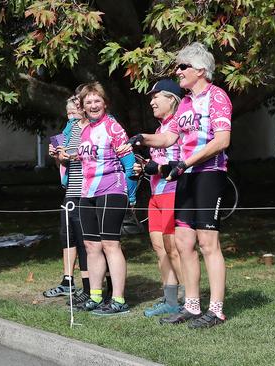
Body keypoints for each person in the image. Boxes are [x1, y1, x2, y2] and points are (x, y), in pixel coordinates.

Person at [122, 42, 232, 328]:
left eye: (182, 66)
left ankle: (216, 310)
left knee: (208, 243)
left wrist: (187, 162)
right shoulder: (183, 103)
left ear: (200, 69)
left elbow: (222, 141)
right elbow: (168, 138)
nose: (178, 71)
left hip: (209, 172)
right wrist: (141, 138)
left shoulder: (217, 96)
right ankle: (192, 306)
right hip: (186, 175)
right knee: (184, 242)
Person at [75, 82, 137, 316]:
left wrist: (130, 195)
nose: (93, 105)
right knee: (91, 245)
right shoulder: (83, 130)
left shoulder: (112, 126)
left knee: (111, 244)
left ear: (105, 103)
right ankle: (95, 295)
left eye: (97, 101)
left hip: (112, 189)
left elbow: (130, 163)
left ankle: (119, 299)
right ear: (82, 106)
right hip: (87, 192)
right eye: (88, 102)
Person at [133, 80, 186, 317]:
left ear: (171, 99)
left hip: (173, 192)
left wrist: (160, 167)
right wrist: (144, 167)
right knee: (160, 248)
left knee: (174, 248)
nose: (152, 102)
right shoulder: (159, 129)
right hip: (155, 194)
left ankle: (188, 300)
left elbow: (185, 159)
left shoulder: (178, 126)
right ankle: (170, 299)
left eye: (156, 97)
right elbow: (158, 161)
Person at [43, 93, 91, 306]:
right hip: (70, 189)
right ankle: (68, 280)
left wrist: (69, 155)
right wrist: (57, 156)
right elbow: (63, 166)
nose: (70, 115)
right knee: (68, 236)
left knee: (85, 241)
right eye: (68, 112)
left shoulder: (89, 129)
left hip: (86, 190)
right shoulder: (68, 131)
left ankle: (91, 287)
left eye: (74, 111)